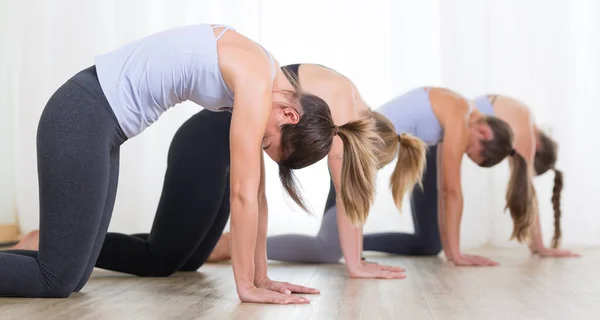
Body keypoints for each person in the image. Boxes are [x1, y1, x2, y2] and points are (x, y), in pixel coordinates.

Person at [0, 25, 381, 303]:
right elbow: (242, 196)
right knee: (55, 278)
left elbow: (259, 196)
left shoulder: (270, 78)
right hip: (82, 114)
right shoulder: (255, 80)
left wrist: (263, 277)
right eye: (267, 142)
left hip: (102, 128)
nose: (259, 146)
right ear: (289, 115)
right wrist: (245, 287)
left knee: (74, 274)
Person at [17, 63, 421, 280]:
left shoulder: (347, 96)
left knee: (187, 259)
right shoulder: (341, 111)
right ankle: (48, 241)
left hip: (223, 156)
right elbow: (348, 197)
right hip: (205, 146)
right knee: (160, 260)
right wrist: (356, 264)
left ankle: (69, 240)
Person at [208, 87, 529, 267]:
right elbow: (451, 190)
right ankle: (229, 246)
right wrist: (458, 255)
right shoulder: (459, 110)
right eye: (471, 152)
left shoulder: (451, 114)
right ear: (483, 130)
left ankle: (361, 246)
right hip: (350, 156)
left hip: (358, 158)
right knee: (326, 249)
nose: (463, 153)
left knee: (428, 244)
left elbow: (444, 188)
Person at [472, 95, 579, 257]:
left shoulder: (523, 113)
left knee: (429, 244)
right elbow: (527, 191)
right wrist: (540, 246)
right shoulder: (524, 129)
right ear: (536, 146)